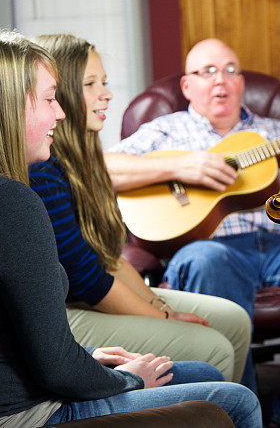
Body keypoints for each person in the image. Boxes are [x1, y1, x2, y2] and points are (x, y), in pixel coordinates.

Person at [0, 29, 261, 427]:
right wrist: (127, 378)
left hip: (9, 385)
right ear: (5, 107)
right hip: (17, 413)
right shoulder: (7, 200)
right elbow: (58, 361)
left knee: (203, 377)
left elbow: (8, 334)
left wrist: (93, 354)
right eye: (48, 99)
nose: (60, 112)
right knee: (235, 402)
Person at [104, 38, 280, 427]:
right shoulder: (164, 131)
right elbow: (102, 167)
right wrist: (180, 168)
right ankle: (237, 412)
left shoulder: (276, 133)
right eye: (207, 72)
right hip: (212, 247)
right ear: (186, 87)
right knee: (204, 260)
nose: (220, 81)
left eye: (231, 70)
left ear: (242, 82)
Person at [27, 34, 252, 384]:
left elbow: (110, 257)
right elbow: (88, 279)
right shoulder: (42, 168)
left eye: (105, 82)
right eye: (90, 84)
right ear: (62, 92)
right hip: (65, 311)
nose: (107, 94)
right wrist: (164, 320)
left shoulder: (85, 160)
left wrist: (160, 307)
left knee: (235, 319)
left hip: (93, 293)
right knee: (214, 346)